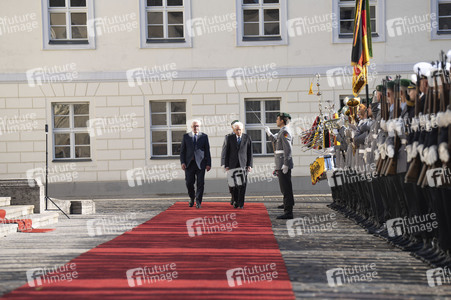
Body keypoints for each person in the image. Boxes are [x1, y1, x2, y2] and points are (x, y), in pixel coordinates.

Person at [265, 113, 294, 219]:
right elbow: (274, 140)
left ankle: (288, 211)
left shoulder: (285, 131)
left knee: (286, 188)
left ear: (282, 121)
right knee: (284, 187)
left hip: (283, 163)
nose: (276, 121)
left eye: (277, 119)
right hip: (280, 163)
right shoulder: (282, 131)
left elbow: (288, 149)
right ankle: (286, 204)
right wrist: (268, 133)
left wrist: (286, 164)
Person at [180, 120, 211, 209]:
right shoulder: (186, 137)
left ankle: (198, 201)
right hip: (189, 164)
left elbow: (207, 151)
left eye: (197, 126)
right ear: (191, 127)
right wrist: (182, 162)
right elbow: (182, 151)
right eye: (194, 126)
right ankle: (192, 197)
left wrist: (209, 163)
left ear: (199, 126)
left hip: (201, 164)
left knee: (200, 183)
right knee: (189, 183)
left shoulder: (204, 136)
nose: (195, 128)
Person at [224, 122, 253, 209]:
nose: (238, 131)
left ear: (242, 129)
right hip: (232, 164)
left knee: (242, 185)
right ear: (234, 130)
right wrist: (226, 165)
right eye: (237, 130)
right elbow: (227, 153)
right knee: (234, 185)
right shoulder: (230, 138)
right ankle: (235, 201)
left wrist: (249, 165)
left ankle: (241, 203)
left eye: (240, 129)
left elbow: (250, 152)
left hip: (243, 164)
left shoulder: (247, 138)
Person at [221, 120, 239, 205]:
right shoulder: (228, 137)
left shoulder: (243, 136)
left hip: (240, 163)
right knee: (231, 182)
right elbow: (224, 151)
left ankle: (238, 198)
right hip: (230, 163)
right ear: (232, 127)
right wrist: (223, 163)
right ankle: (233, 196)